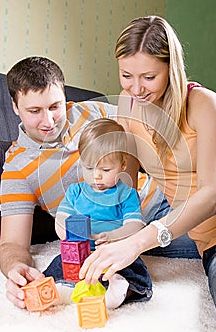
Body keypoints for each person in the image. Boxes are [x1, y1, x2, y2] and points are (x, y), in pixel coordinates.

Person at [0, 56, 216, 312]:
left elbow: (161, 116)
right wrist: (16, 270)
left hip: (165, 200)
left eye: (55, 106)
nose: (48, 121)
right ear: (15, 106)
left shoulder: (94, 112)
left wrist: (212, 116)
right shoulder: (17, 168)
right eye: (34, 111)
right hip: (125, 232)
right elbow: (12, 244)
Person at [79, 16, 216, 332]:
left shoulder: (202, 103)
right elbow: (128, 181)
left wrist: (139, 241)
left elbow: (211, 197)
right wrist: (119, 228)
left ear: (171, 69)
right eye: (126, 75)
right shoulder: (128, 106)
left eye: (149, 77)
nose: (136, 88)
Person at [44, 118, 152, 308]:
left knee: (135, 270)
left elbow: (135, 225)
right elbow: (61, 218)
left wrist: (115, 236)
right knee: (58, 264)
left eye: (105, 169)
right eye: (89, 167)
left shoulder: (127, 194)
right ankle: (65, 288)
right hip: (80, 251)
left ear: (123, 164)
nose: (96, 176)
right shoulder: (75, 191)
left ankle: (119, 290)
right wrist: (70, 236)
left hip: (113, 252)